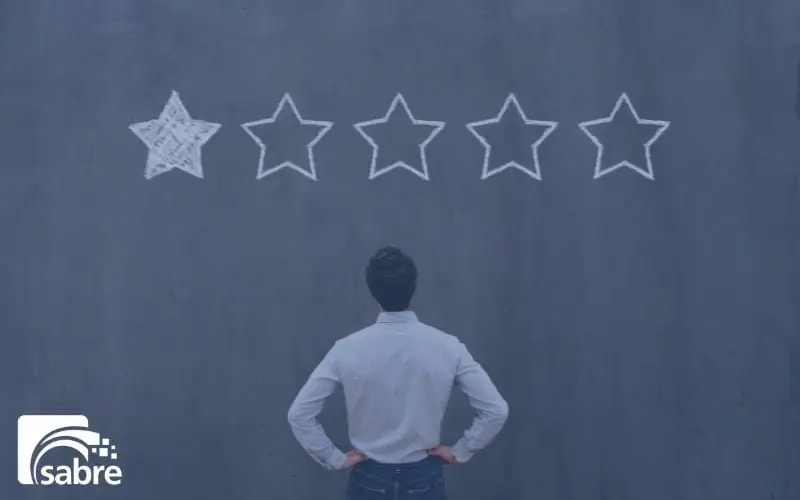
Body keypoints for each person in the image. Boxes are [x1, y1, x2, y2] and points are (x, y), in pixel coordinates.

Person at [287, 246, 509, 499]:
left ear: (373, 290)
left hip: (368, 477)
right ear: (413, 287)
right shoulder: (448, 346)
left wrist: (333, 457)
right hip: (424, 478)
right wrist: (461, 451)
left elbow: (299, 414)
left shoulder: (346, 349)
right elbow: (496, 410)